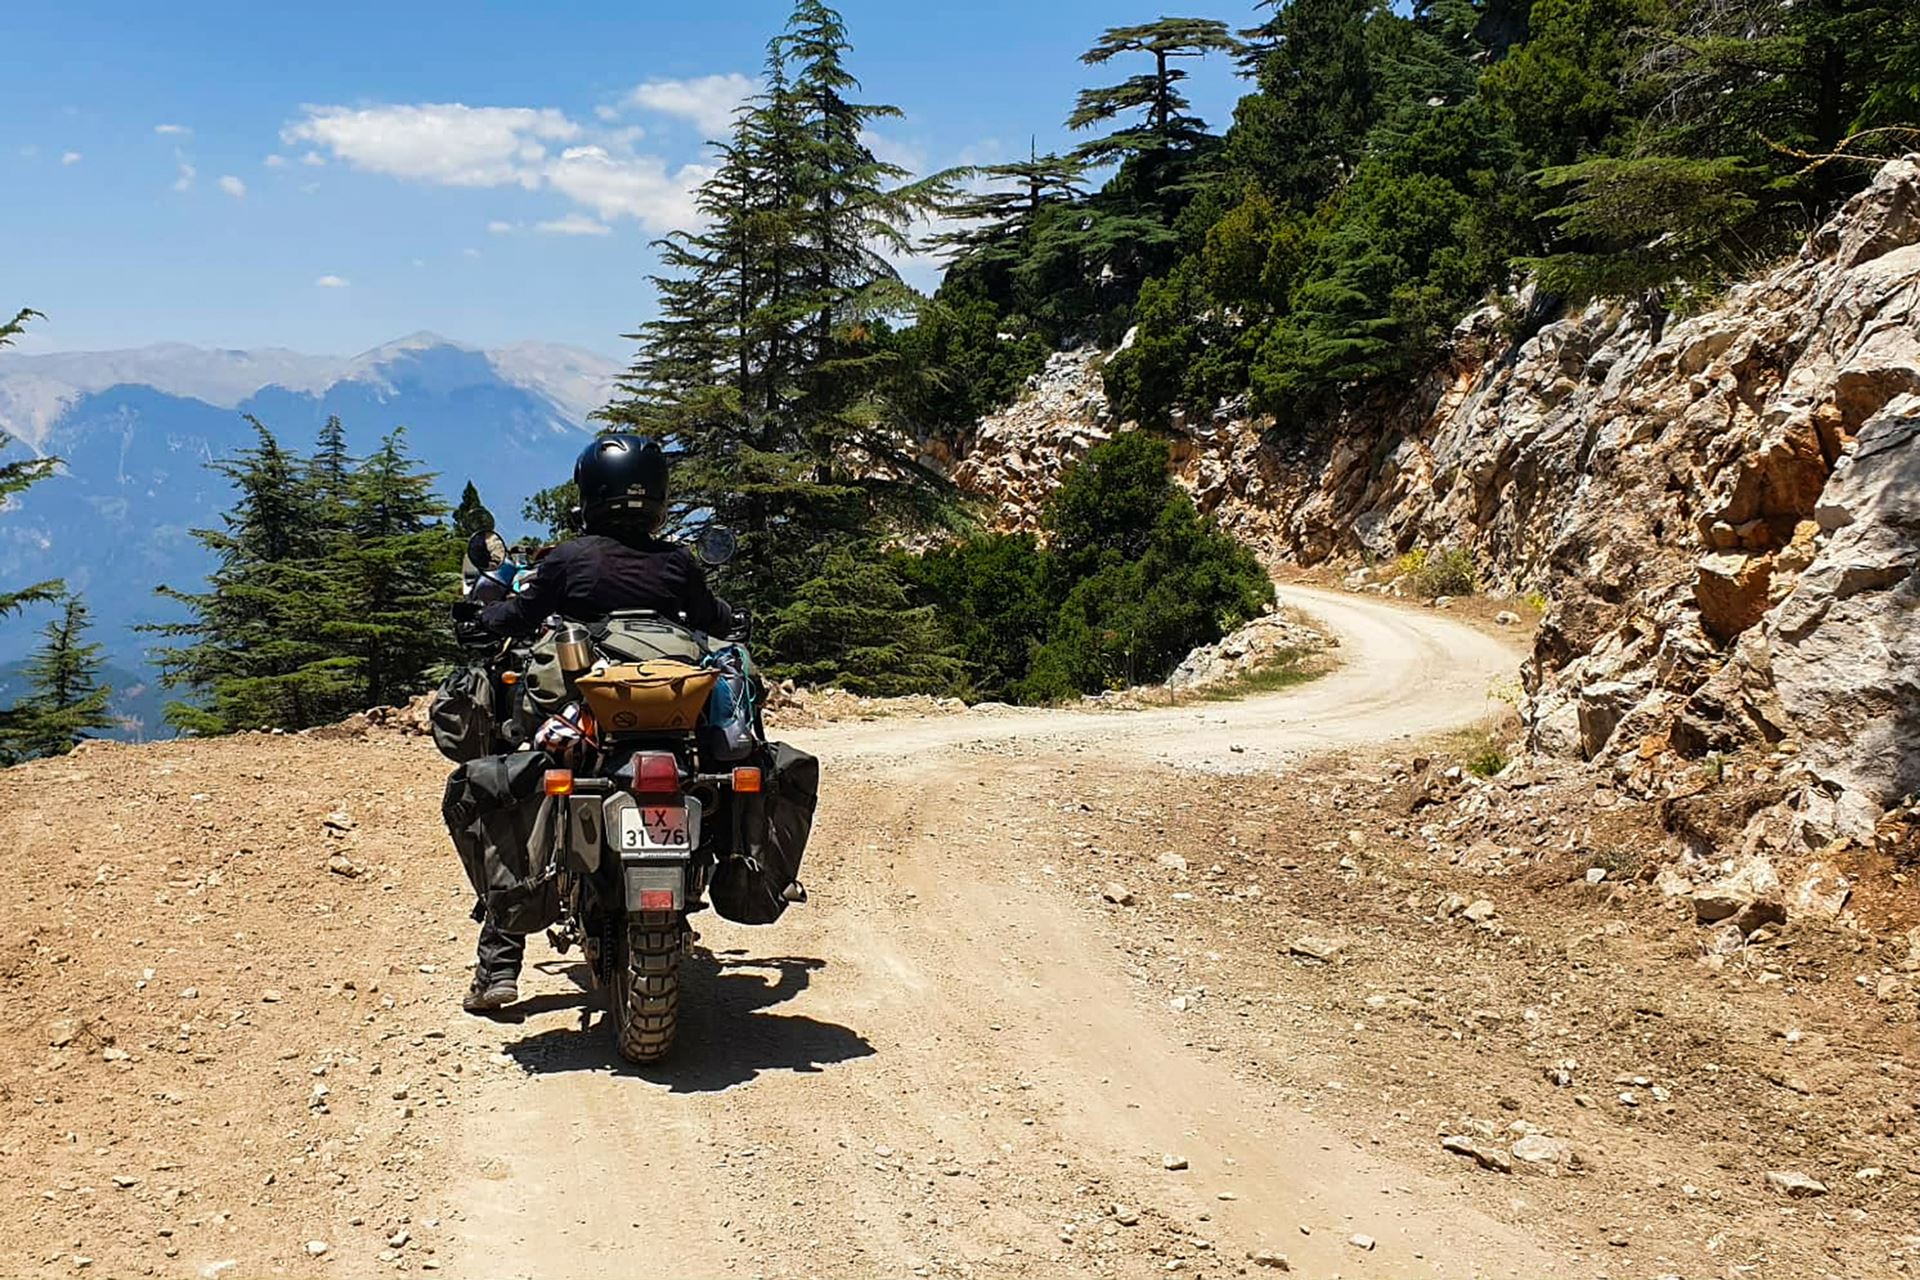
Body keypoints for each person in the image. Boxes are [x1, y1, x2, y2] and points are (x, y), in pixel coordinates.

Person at [455, 433, 734, 1013]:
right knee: (726, 771)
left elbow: (519, 614)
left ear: (590, 493)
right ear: (657, 496)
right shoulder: (678, 564)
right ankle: (724, 866)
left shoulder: (567, 559)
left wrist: (482, 619)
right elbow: (716, 618)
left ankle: (499, 965)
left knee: (520, 786)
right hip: (674, 726)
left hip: (590, 722)